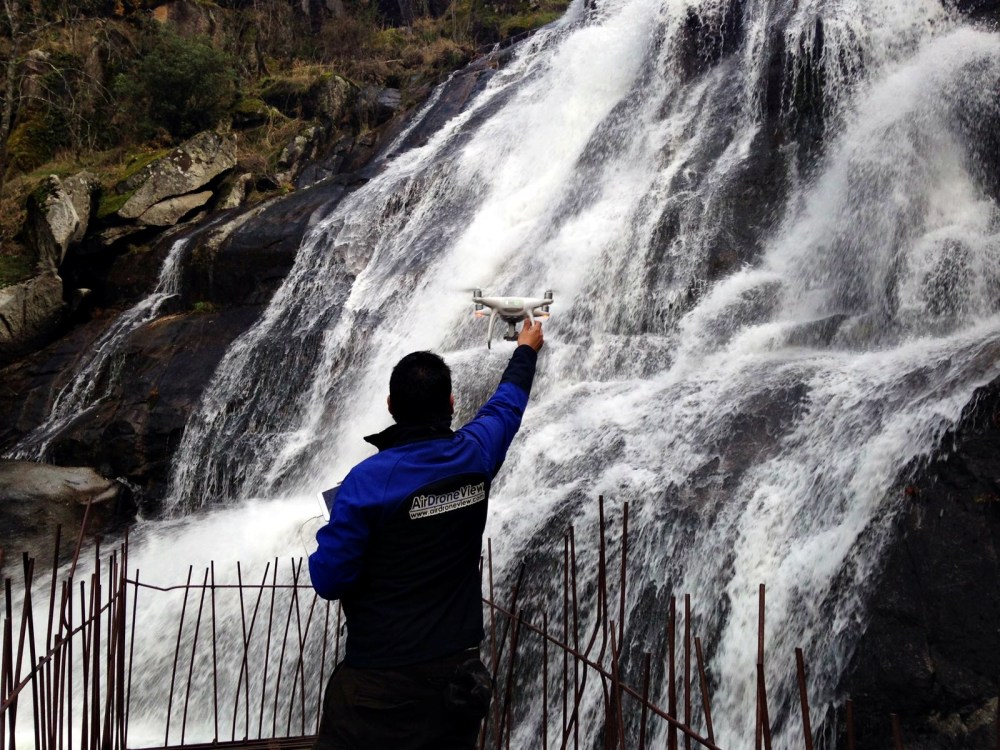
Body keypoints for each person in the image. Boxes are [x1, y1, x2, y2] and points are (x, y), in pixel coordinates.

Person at [309, 318, 544, 750]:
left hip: (379, 683)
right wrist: (526, 348)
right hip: (456, 682)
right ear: (452, 402)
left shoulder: (366, 481)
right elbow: (507, 405)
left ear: (390, 405)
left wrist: (329, 532)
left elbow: (329, 578)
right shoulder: (475, 454)